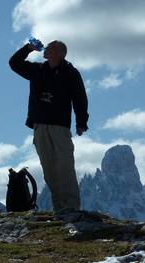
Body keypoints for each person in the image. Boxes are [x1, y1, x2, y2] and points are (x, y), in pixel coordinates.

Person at [9, 39, 89, 212]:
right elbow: (14, 63)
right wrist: (28, 48)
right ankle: (60, 208)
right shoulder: (37, 70)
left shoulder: (70, 73)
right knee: (49, 168)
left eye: (50, 47)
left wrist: (81, 122)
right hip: (39, 125)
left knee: (65, 166)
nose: (45, 49)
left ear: (60, 53)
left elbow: (80, 98)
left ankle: (72, 207)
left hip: (60, 126)